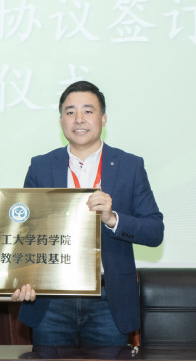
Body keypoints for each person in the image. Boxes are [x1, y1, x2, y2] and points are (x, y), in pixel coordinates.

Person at [14, 81, 164, 346]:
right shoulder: (41, 166)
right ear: (61, 121)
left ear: (103, 119)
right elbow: (23, 232)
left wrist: (112, 219)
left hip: (108, 299)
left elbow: (155, 231)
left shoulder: (129, 166)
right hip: (51, 299)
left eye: (88, 111)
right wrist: (20, 278)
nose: (79, 119)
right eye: (70, 112)